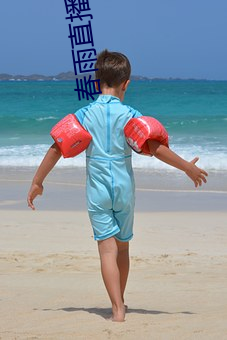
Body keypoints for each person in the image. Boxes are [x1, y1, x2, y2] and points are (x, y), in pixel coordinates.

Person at [27, 49, 208, 322]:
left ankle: (117, 309)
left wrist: (38, 182)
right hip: (124, 190)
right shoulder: (131, 115)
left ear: (98, 81)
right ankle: (120, 300)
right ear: (127, 83)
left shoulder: (85, 114)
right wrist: (188, 168)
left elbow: (57, 148)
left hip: (97, 191)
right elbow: (155, 148)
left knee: (106, 250)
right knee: (122, 248)